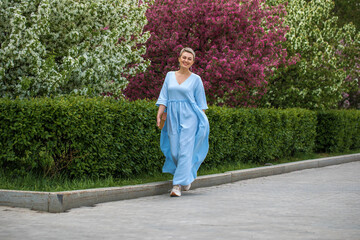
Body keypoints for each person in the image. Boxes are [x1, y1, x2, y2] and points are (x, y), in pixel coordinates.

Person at [156, 47, 210, 197]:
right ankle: (186, 177)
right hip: (172, 117)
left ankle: (177, 186)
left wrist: (201, 124)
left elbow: (201, 104)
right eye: (184, 57)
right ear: (179, 59)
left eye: (189, 58)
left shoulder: (196, 79)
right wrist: (160, 113)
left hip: (191, 117)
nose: (186, 60)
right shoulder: (169, 76)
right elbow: (163, 97)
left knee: (186, 150)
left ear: (193, 62)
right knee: (174, 151)